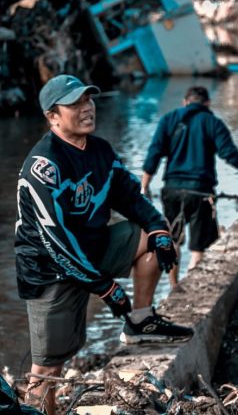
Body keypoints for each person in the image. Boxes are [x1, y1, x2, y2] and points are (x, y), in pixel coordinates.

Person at [15, 75, 194, 415]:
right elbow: (56, 242)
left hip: (92, 248)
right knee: (48, 367)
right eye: (76, 103)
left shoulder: (100, 151)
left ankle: (140, 322)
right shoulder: (43, 166)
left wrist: (158, 228)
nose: (87, 108)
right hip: (50, 270)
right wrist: (105, 287)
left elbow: (129, 195)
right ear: (53, 116)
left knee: (153, 240)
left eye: (89, 99)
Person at [141, 86, 238, 286]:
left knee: (172, 241)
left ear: (185, 102)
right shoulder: (213, 123)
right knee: (198, 248)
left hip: (172, 190)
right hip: (200, 192)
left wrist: (145, 185)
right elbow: (230, 155)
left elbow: (154, 152)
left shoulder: (168, 119)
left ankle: (174, 287)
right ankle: (190, 285)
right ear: (207, 103)